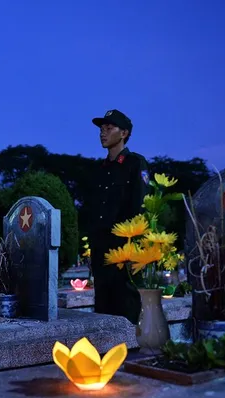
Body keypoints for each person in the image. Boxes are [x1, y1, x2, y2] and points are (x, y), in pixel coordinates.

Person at [89, 109, 149, 324]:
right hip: (101, 249)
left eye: (109, 128)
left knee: (127, 305)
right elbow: (92, 210)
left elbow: (139, 206)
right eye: (101, 129)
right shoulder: (99, 169)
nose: (103, 133)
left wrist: (131, 247)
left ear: (124, 133)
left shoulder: (135, 163)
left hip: (125, 248)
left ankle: (131, 352)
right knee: (103, 305)